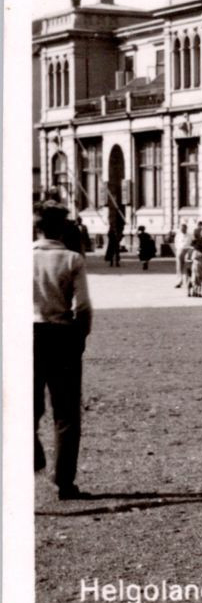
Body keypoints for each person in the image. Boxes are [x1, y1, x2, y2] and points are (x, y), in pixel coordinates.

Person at [33, 202, 93, 500]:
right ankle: (64, 481)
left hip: (26, 334)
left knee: (25, 408)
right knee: (66, 411)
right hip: (61, 335)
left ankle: (31, 452)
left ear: (37, 227)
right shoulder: (72, 259)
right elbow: (82, 306)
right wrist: (79, 337)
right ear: (63, 228)